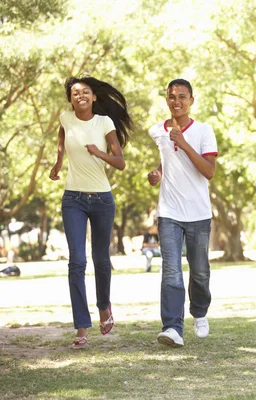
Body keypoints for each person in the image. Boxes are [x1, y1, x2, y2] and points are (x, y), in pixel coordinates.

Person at [49, 76, 133, 349]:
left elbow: (120, 162)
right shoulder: (65, 118)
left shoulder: (104, 123)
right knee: (77, 262)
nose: (80, 95)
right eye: (75, 93)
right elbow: (62, 137)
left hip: (101, 199)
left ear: (94, 97)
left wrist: (99, 152)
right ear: (70, 98)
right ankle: (82, 327)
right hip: (73, 198)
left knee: (101, 260)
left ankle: (104, 307)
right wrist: (59, 161)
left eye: (85, 92)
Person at [147, 79, 218, 348]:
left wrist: (184, 142)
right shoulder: (157, 130)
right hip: (169, 211)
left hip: (198, 212)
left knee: (199, 272)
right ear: (166, 99)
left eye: (182, 96)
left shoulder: (203, 130)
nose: (176, 101)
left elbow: (209, 171)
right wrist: (158, 173)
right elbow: (168, 162)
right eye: (171, 96)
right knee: (171, 271)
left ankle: (199, 312)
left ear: (191, 100)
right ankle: (172, 327)